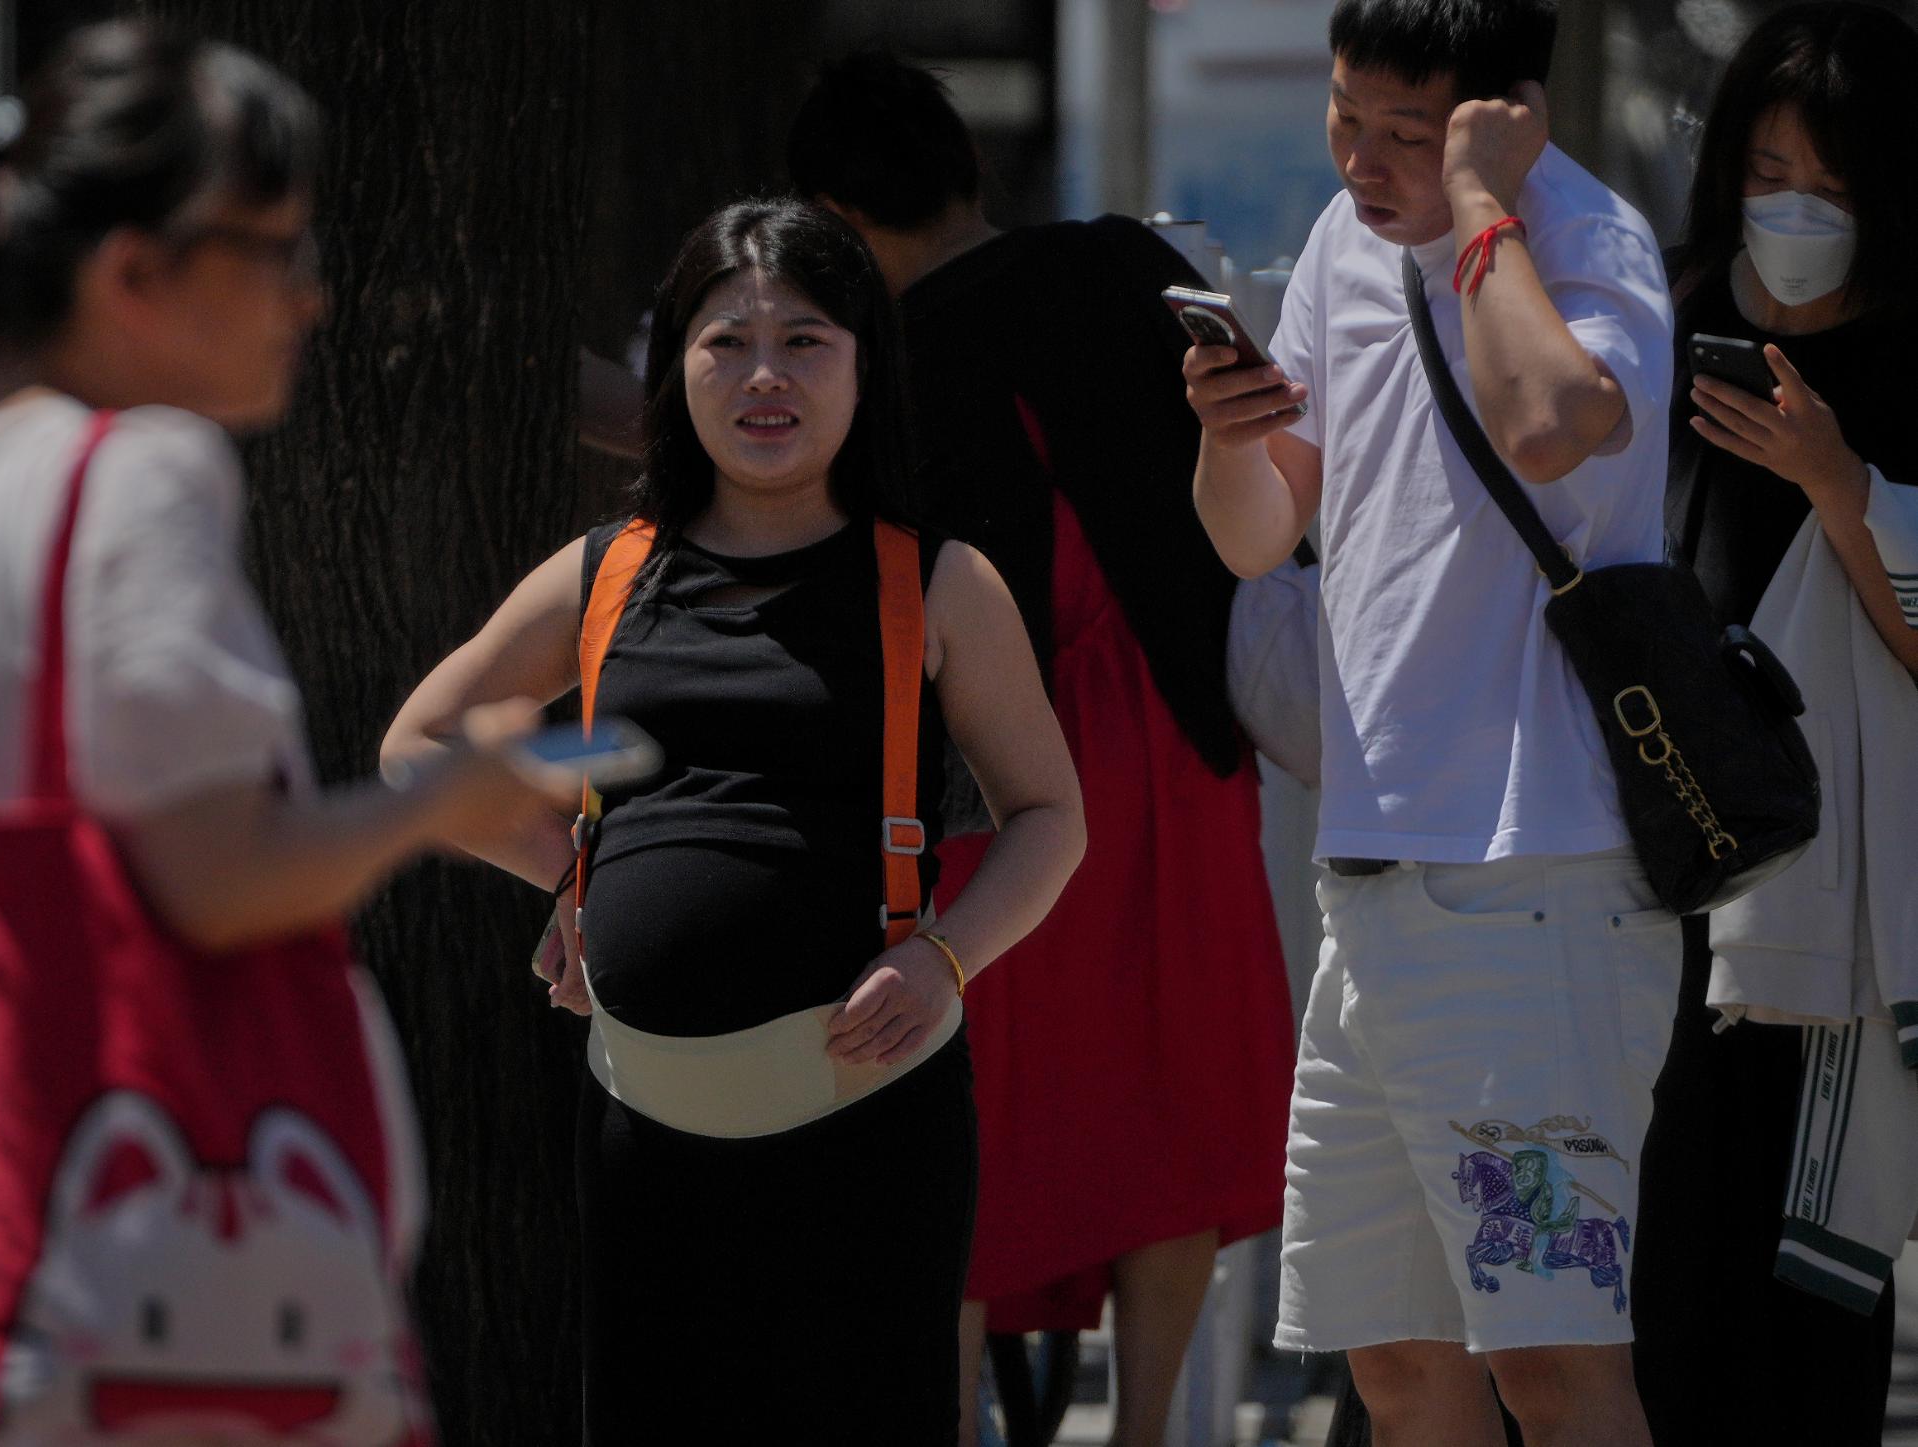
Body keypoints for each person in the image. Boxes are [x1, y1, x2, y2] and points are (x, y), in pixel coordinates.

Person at [0, 24, 564, 1444]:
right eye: (276, 248)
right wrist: (448, 796)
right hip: (95, 1251)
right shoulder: (133, 473)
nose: (310, 296)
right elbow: (221, 875)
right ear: (132, 272)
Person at [381, 198, 1085, 1445]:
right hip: (642, 1136)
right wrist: (572, 879)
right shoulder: (602, 572)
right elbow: (416, 748)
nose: (765, 375)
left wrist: (947, 955)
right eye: (726, 341)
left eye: (804, 340)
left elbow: (1048, 816)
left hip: (870, 1133)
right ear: (676, 369)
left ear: (864, 366)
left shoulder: (938, 582)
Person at [1183, 1, 1681, 1443]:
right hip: (1371, 885)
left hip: (1537, 888)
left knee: (1551, 1360)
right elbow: (1254, 531)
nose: (1361, 160)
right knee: (1395, 1362)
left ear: (1502, 114)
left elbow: (1545, 421)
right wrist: (1223, 433)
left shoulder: (1585, 242)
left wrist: (1476, 202)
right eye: (1345, 116)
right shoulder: (1339, 247)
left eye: (1406, 131)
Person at [787, 53, 1295, 1447]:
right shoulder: (1128, 264)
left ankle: (949, 1421)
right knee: (1173, 1094)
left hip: (996, 773)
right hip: (1177, 733)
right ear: (963, 167)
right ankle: (1146, 1427)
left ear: (836, 214)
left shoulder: (881, 356)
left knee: (973, 1115)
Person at [1629, 7, 1918, 1443]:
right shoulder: (1659, 321)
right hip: (1641, 884)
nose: (1794, 208)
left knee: (1796, 1328)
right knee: (1640, 1292)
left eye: (1834, 183)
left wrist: (1837, 483)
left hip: (1821, 920)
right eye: (1766, 171)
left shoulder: (1910, 354)